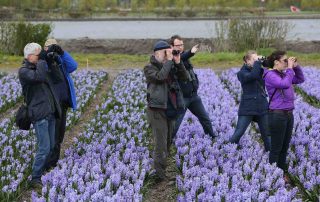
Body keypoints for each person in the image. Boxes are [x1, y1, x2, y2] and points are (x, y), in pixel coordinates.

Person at [144, 40, 188, 181]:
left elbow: (185, 77)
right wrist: (169, 62)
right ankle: (159, 175)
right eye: (165, 52)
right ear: (157, 53)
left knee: (168, 142)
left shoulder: (170, 65)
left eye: (168, 52)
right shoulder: (149, 68)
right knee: (161, 144)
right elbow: (160, 77)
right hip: (156, 110)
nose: (167, 55)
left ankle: (161, 170)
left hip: (170, 109)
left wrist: (178, 62)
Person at [18, 43, 61, 188]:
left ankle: (43, 173)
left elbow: (58, 78)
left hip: (50, 112)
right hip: (39, 114)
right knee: (44, 148)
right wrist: (43, 61)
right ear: (29, 56)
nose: (40, 57)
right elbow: (39, 77)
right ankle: (35, 178)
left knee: (51, 147)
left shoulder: (41, 66)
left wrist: (51, 61)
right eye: (38, 55)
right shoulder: (24, 71)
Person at [264, 50, 304, 181]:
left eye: (288, 61)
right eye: (285, 61)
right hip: (277, 115)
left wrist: (296, 67)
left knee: (285, 146)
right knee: (276, 147)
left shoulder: (283, 73)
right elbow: (285, 84)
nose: (287, 63)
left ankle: (281, 173)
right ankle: (273, 176)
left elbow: (300, 79)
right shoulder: (270, 74)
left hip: (288, 114)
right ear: (276, 62)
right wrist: (290, 68)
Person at [170, 35, 216, 139]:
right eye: (178, 45)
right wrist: (191, 52)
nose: (181, 47)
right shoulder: (172, 58)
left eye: (182, 44)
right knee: (176, 123)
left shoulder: (183, 56)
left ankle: (212, 138)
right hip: (182, 98)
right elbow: (181, 58)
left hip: (193, 96)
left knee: (205, 118)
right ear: (171, 46)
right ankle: (167, 143)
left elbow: (184, 59)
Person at [42, 38, 78, 170]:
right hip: (51, 104)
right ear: (45, 48)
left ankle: (53, 162)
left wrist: (62, 53)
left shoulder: (60, 59)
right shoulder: (43, 60)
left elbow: (73, 66)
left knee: (60, 133)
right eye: (49, 47)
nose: (51, 49)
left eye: (54, 46)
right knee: (52, 133)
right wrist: (47, 57)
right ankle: (48, 163)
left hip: (63, 103)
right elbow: (43, 71)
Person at [229, 50, 270, 151]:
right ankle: (227, 150)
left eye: (257, 59)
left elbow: (269, 66)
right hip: (248, 108)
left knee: (267, 134)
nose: (257, 61)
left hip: (262, 106)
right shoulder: (241, 73)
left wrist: (264, 60)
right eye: (254, 59)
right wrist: (257, 63)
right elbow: (253, 76)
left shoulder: (259, 70)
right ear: (247, 60)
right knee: (238, 132)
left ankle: (272, 157)